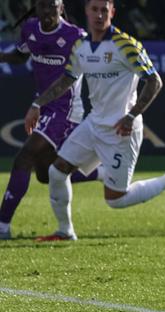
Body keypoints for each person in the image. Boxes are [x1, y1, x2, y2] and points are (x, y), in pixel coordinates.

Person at [23, 0, 165, 242]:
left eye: (104, 10)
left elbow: (154, 81)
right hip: (94, 124)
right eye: (94, 9)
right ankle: (65, 231)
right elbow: (66, 80)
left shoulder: (126, 45)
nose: (99, 15)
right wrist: (37, 105)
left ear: (112, 12)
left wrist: (131, 115)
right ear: (86, 11)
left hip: (121, 130)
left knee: (115, 200)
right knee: (57, 171)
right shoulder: (81, 46)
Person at [0, 0, 105, 240]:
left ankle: (2, 226)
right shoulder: (30, 28)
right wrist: (2, 57)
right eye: (43, 6)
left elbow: (95, 65)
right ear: (36, 8)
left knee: (24, 158)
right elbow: (20, 56)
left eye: (52, 6)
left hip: (66, 110)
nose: (48, 11)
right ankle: (102, 173)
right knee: (46, 174)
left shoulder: (75, 36)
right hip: (44, 106)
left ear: (61, 7)